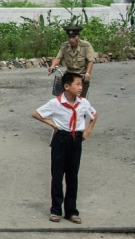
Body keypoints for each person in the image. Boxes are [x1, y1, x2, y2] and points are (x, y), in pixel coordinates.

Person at [32, 73, 98, 224]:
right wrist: (52, 124)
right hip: (61, 139)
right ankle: (56, 209)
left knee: (72, 176)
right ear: (67, 86)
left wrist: (87, 131)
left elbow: (94, 116)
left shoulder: (84, 103)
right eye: (77, 84)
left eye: (81, 84)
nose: (81, 87)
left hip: (76, 139)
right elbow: (36, 114)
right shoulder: (55, 103)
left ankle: (71, 211)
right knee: (57, 175)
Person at [48, 25, 97, 98]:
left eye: (74, 37)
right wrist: (53, 66)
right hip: (69, 74)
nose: (71, 39)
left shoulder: (86, 46)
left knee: (80, 99)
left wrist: (88, 73)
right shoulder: (64, 46)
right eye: (69, 37)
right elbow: (58, 58)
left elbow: (91, 60)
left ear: (79, 36)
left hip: (81, 75)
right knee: (62, 97)